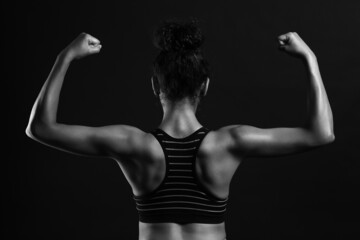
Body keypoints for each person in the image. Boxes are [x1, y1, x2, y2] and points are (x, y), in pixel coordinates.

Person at [26, 18, 334, 240]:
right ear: (205, 87)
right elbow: (322, 133)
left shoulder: (133, 145)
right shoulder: (229, 143)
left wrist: (64, 57)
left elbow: (39, 128)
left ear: (154, 86)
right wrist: (310, 58)